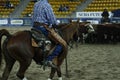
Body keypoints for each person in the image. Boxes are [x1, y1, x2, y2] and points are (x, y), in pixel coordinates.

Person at [32, 0, 67, 68]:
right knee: (61, 43)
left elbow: (33, 17)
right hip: (43, 28)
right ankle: (49, 60)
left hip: (35, 27)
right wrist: (55, 24)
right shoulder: (47, 5)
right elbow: (52, 19)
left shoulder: (36, 4)